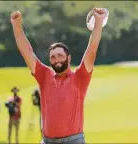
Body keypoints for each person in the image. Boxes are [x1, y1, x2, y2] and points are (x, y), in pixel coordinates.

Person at [10, 7, 107, 144]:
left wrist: (98, 22)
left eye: (60, 55)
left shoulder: (80, 77)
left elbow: (92, 48)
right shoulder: (44, 76)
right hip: (47, 141)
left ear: (68, 58)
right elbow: (27, 52)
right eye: (53, 57)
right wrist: (17, 26)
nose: (56, 59)